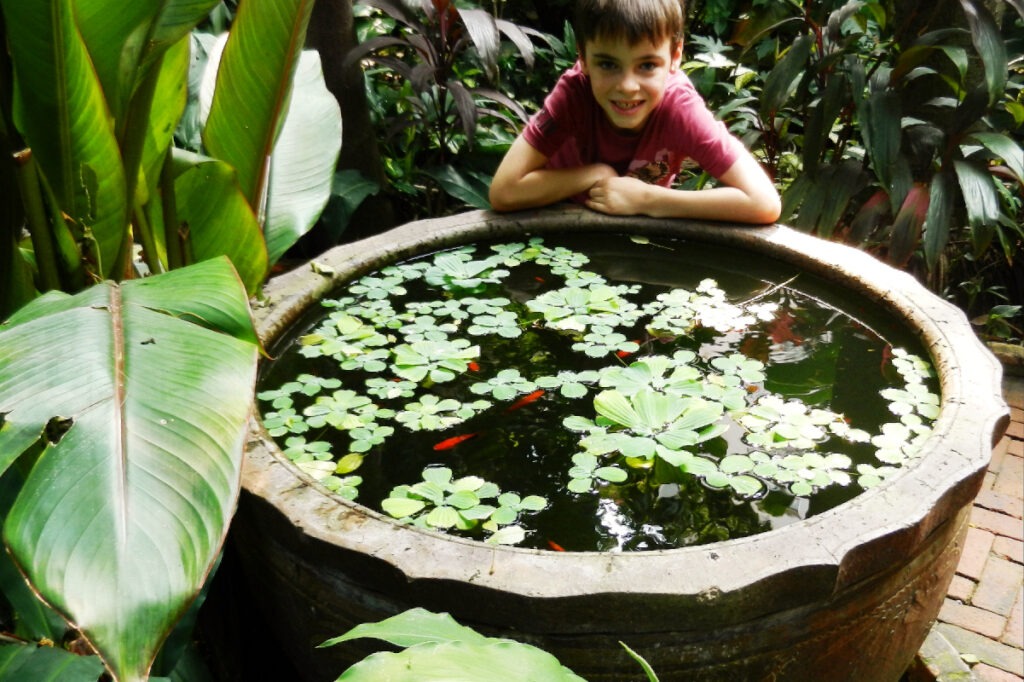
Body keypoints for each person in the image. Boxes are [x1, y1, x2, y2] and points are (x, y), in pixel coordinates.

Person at [489, 0, 781, 224]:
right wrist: (594, 174)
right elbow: (504, 191)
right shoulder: (574, 96)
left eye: (647, 65)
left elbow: (764, 202)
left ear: (675, 57)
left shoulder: (680, 109)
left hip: (639, 244)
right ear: (583, 57)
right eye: (607, 64)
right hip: (559, 233)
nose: (628, 86)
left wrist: (649, 200)